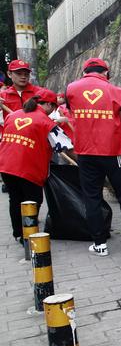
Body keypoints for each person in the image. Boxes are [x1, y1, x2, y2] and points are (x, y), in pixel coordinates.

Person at [65, 57, 121, 257]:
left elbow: (73, 114)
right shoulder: (116, 92)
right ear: (106, 73)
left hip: (85, 153)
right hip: (115, 153)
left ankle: (99, 244)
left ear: (85, 72)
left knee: (92, 198)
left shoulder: (71, 90)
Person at [0, 89, 73, 243]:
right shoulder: (45, 122)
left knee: (15, 199)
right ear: (48, 104)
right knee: (33, 201)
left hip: (5, 166)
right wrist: (83, 165)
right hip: (27, 168)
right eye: (53, 107)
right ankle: (29, 235)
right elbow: (67, 147)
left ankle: (18, 234)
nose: (53, 111)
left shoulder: (13, 115)